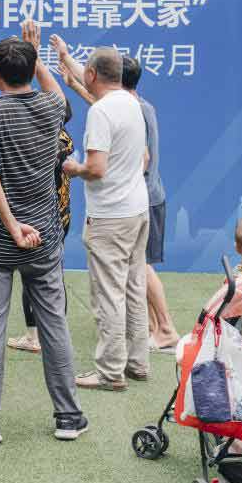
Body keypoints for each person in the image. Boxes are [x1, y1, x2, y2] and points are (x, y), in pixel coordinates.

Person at [0, 20, 87, 444]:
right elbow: (59, 96)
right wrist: (37, 56)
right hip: (44, 235)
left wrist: (12, 227)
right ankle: (69, 417)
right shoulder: (51, 107)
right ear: (31, 70)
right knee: (54, 324)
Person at [51, 37, 150, 393]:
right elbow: (143, 158)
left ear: (93, 74)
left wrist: (72, 168)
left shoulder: (101, 112)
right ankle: (137, 362)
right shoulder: (131, 103)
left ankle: (110, 371)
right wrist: (67, 58)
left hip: (110, 215)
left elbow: (95, 168)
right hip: (137, 210)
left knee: (109, 294)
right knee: (134, 288)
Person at [121, 55, 181, 352]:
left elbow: (142, 159)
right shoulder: (141, 105)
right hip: (150, 196)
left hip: (143, 199)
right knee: (136, 265)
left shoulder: (132, 110)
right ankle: (151, 326)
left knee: (140, 265)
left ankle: (166, 329)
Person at [7, 99, 74, 354]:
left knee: (33, 276)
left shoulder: (48, 140)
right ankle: (52, 335)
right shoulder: (64, 138)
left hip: (42, 218)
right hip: (60, 216)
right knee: (53, 275)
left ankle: (35, 337)